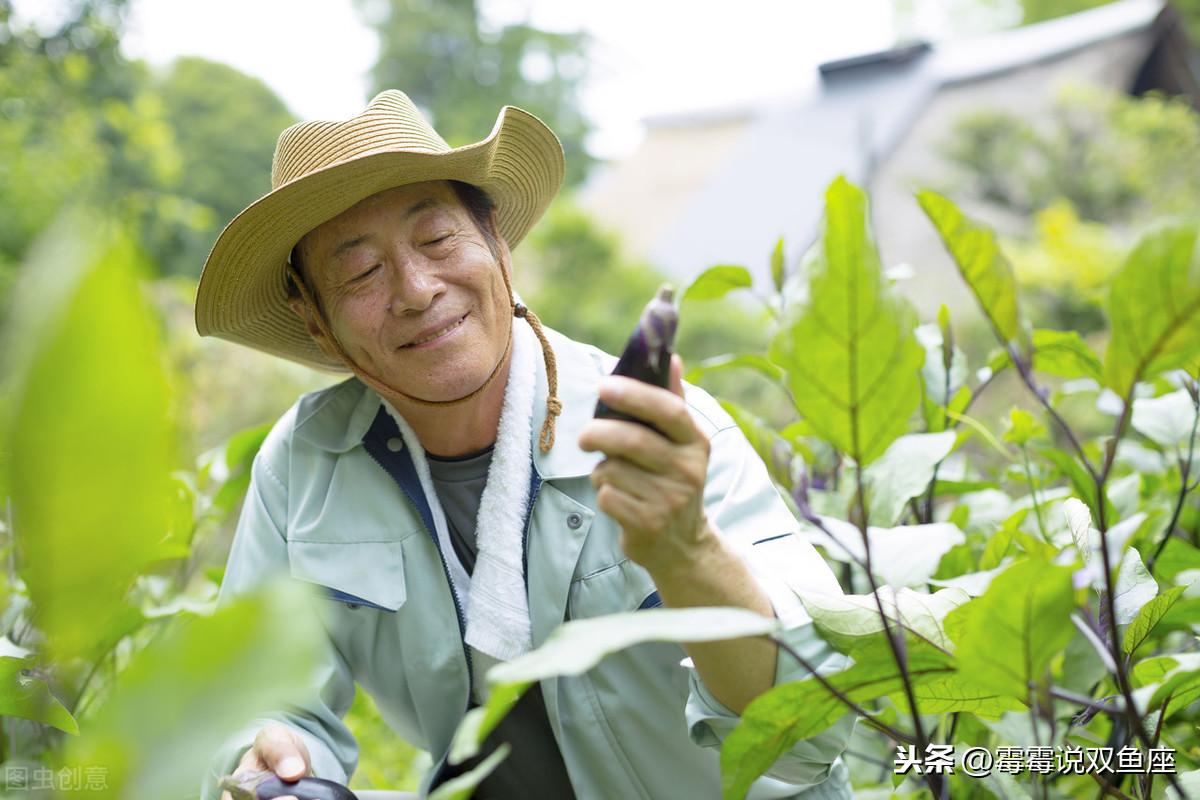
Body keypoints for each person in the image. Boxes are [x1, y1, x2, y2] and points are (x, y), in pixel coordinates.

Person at [198, 91, 853, 800]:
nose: (416, 290)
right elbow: (255, 698)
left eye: (437, 240)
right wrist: (266, 758)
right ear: (316, 323)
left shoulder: (667, 433)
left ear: (497, 243)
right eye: (360, 274)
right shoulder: (305, 465)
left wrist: (686, 547)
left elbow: (810, 732)